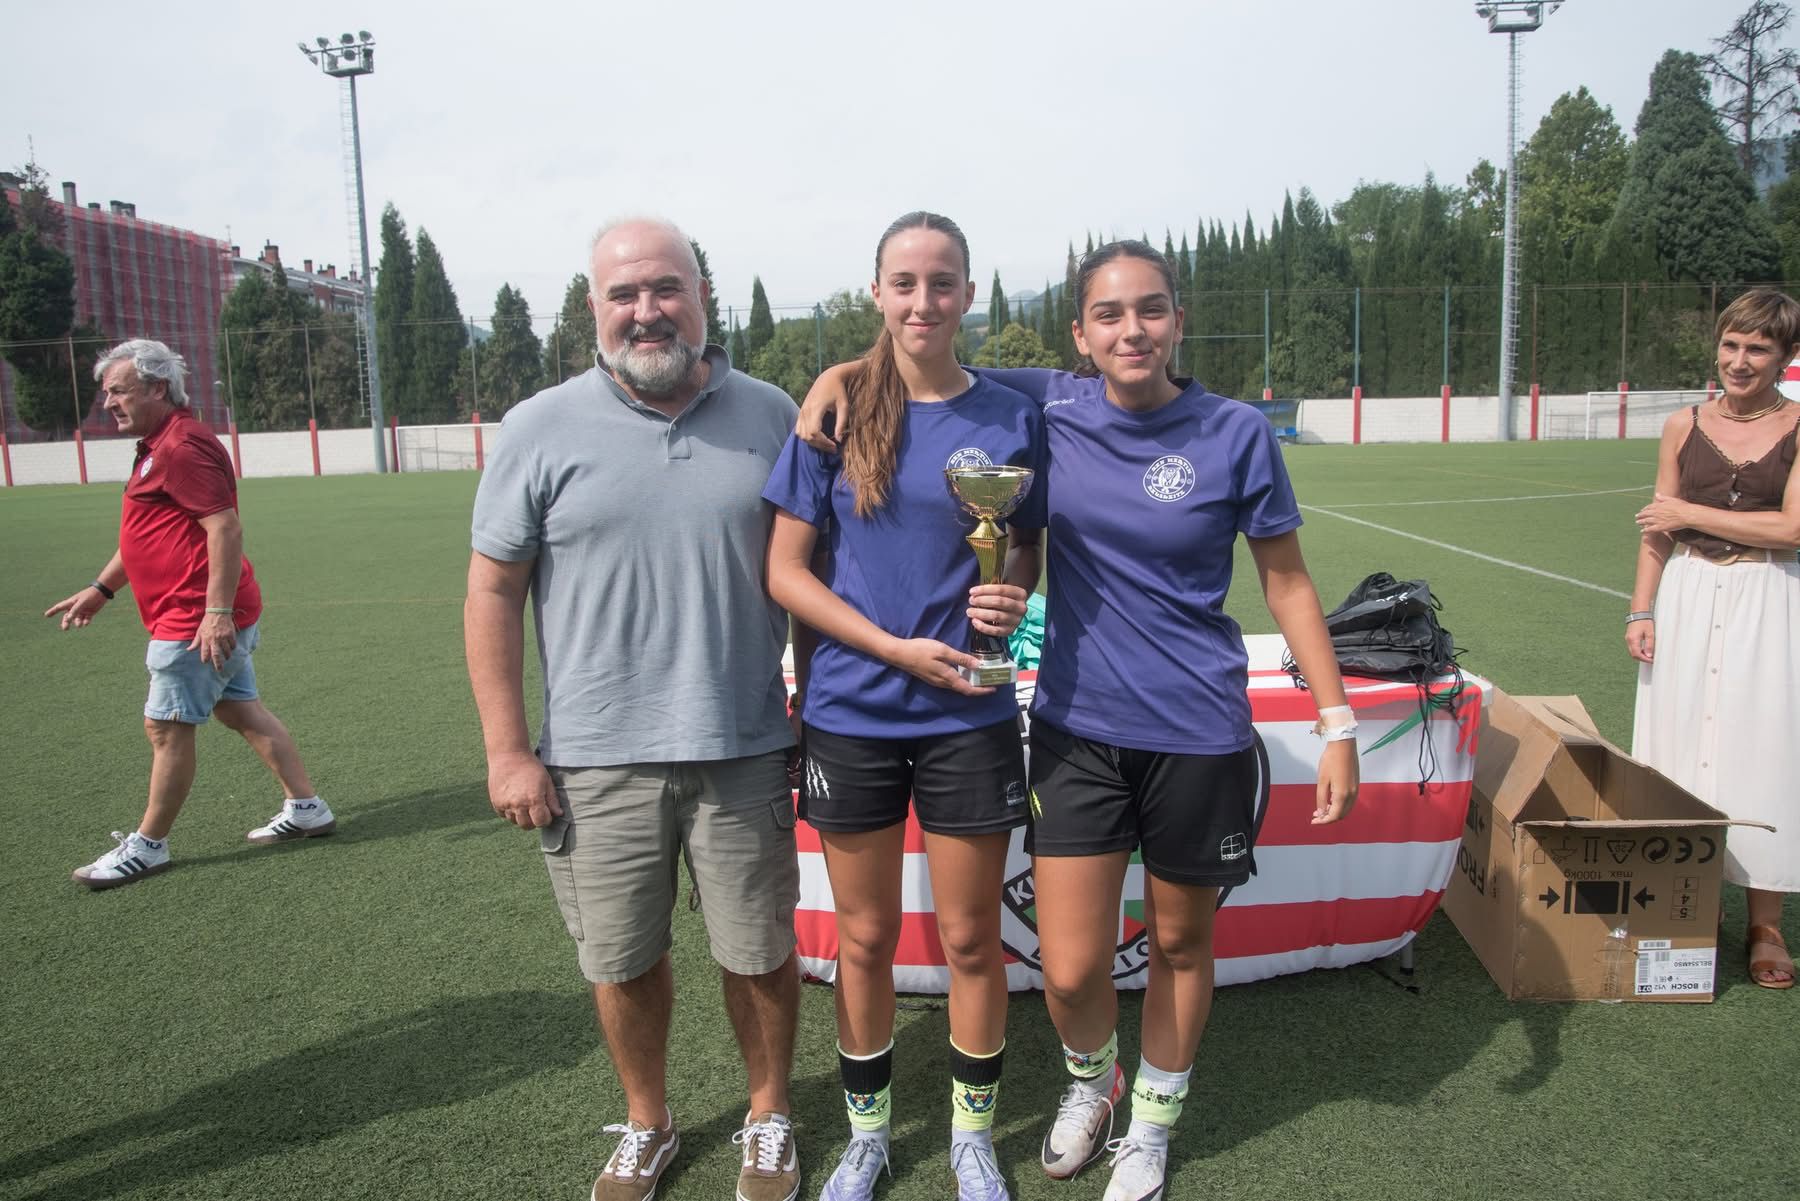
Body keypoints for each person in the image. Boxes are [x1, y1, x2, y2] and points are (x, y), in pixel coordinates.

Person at [799, 240, 1358, 1201]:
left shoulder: (1234, 432)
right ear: (1080, 333)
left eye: (1151, 310)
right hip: (1077, 728)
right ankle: (1094, 1085)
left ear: (1179, 319)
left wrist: (1337, 717)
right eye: (1109, 314)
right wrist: (838, 371)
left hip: (1199, 729)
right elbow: (923, 348)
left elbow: (1288, 580)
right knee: (1065, 969)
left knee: (1182, 944)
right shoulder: (1049, 408)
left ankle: (1152, 1125)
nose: (1131, 330)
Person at [465, 218, 806, 1201]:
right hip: (594, 758)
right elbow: (491, 592)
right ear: (594, 309)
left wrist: (814, 708)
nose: (647, 310)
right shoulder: (537, 426)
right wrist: (505, 750)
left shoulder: (772, 412)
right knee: (621, 959)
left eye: (667, 288)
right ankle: (648, 1120)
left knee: (760, 949)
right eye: (625, 294)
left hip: (746, 744)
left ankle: (769, 1111)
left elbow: (812, 574)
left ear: (704, 297)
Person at [764, 211, 1044, 1201]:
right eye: (905, 282)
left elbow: (1026, 540)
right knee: (867, 936)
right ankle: (869, 1135)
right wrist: (889, 648)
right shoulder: (834, 411)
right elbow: (785, 573)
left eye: (944, 281)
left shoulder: (1015, 412)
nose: (924, 300)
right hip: (853, 709)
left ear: (970, 293)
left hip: (967, 710)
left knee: (972, 938)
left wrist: (1011, 587)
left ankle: (973, 1137)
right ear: (876, 292)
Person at [46, 339, 332, 889]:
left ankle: (149, 845)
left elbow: (223, 527)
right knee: (240, 710)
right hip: (199, 612)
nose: (108, 402)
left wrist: (216, 613)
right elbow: (148, 534)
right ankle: (307, 808)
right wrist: (101, 590)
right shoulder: (158, 444)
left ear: (157, 388)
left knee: (166, 728)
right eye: (106, 392)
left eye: (119, 391)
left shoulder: (179, 446)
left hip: (195, 616)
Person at [1629, 288, 1800, 990]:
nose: (1739, 359)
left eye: (1757, 347)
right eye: (1731, 344)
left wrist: (1687, 509)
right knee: (1677, 748)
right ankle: (1683, 904)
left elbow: (1791, 529)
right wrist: (1640, 610)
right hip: (1689, 593)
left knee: (1767, 747)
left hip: (1769, 594)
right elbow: (1657, 529)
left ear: (1785, 357)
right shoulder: (1681, 426)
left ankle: (1766, 924)